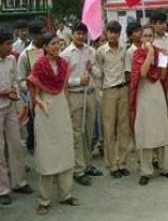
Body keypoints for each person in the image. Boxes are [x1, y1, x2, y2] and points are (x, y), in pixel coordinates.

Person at [27, 33, 79, 215]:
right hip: (46, 111)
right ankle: (44, 200)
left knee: (65, 151)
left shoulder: (64, 64)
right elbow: (35, 93)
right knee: (47, 155)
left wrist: (68, 107)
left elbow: (64, 88)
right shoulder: (39, 65)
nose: (57, 46)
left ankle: (66, 194)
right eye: (53, 43)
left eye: (58, 43)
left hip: (61, 109)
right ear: (45, 46)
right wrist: (40, 103)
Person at [130, 25, 168, 185]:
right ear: (140, 38)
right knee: (145, 130)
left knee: (161, 128)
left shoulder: (159, 52)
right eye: (145, 36)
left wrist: (163, 59)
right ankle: (146, 170)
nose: (148, 39)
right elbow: (142, 73)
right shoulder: (137, 53)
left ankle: (165, 166)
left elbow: (163, 76)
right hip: (144, 93)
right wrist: (150, 54)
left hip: (157, 92)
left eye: (151, 36)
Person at [61, 22, 103, 187]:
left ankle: (87, 164)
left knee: (88, 132)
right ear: (72, 35)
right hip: (75, 96)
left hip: (90, 95)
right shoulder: (65, 54)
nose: (80, 36)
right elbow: (63, 81)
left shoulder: (91, 51)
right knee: (77, 133)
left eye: (83, 34)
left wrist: (91, 69)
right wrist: (79, 80)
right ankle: (78, 170)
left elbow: (99, 74)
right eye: (77, 33)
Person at [0, 30, 33, 206]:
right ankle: (3, 189)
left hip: (10, 107)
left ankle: (19, 182)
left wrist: (14, 94)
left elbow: (14, 81)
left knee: (16, 145)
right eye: (7, 44)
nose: (10, 47)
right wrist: (3, 92)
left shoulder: (11, 59)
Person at [96, 21, 130, 178]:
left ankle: (122, 162)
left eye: (117, 32)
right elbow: (98, 73)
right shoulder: (101, 52)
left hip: (123, 88)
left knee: (123, 128)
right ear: (106, 32)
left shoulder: (124, 49)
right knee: (109, 129)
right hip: (109, 91)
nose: (114, 35)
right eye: (111, 32)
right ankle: (111, 165)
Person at [17, 20, 45, 155]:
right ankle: (33, 146)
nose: (42, 36)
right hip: (35, 98)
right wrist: (31, 87)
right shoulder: (26, 54)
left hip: (52, 95)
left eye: (44, 32)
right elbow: (20, 80)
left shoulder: (50, 48)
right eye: (40, 34)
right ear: (33, 35)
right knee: (35, 127)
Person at [151, 12, 168, 150]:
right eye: (159, 23)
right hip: (155, 82)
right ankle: (159, 144)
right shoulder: (150, 40)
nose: (162, 25)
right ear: (153, 24)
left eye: (163, 23)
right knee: (158, 112)